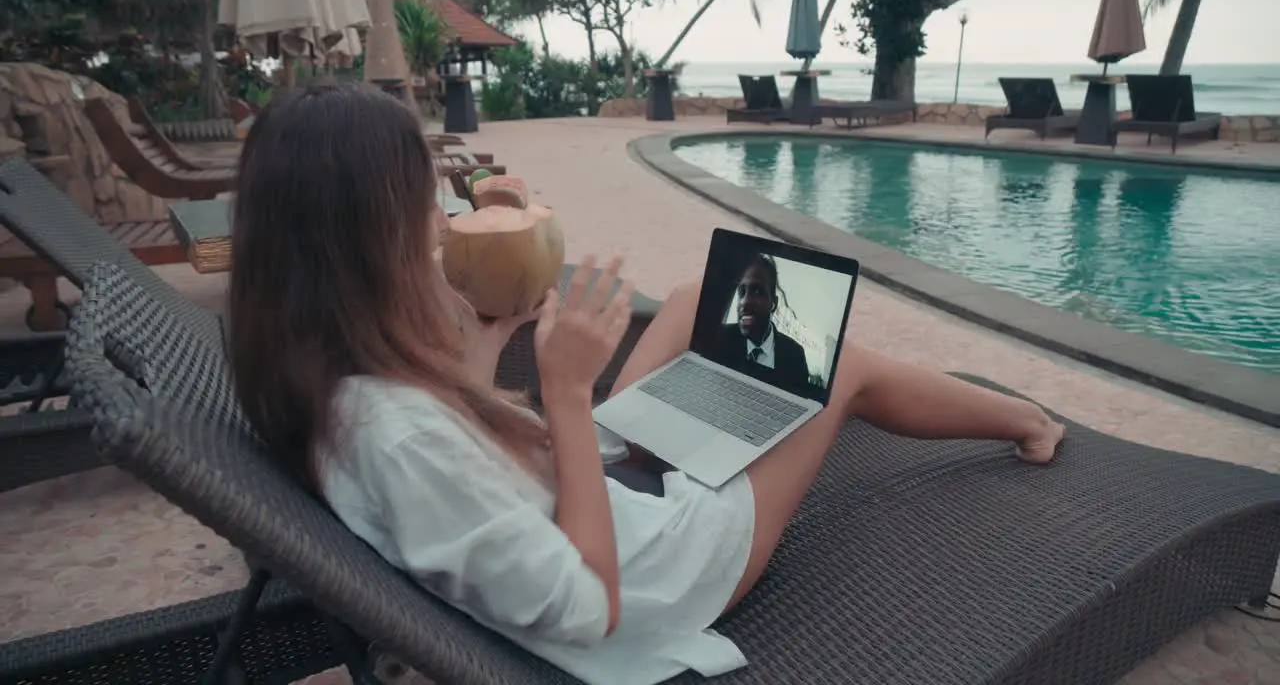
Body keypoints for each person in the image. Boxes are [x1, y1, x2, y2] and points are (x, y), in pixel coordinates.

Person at [226, 83, 1066, 685]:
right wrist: (564, 396)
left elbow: (465, 458)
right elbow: (592, 607)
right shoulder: (399, 439)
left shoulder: (332, 384)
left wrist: (494, 346)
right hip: (658, 572)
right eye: (424, 208)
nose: (440, 226)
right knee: (833, 364)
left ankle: (699, 408)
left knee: (705, 298)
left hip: (593, 493)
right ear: (370, 239)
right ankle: (1029, 421)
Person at [713, 253, 812, 392]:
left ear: (773, 304)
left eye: (757, 291)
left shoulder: (795, 355)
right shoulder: (721, 337)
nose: (745, 302)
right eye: (742, 292)